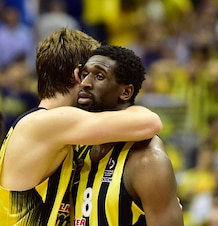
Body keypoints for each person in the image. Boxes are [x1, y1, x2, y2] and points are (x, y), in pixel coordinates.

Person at [0, 28, 162, 225]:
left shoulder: (44, 126)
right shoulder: (49, 123)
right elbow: (150, 122)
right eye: (91, 73)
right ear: (78, 75)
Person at [72, 45, 184, 225]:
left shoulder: (147, 159)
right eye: (84, 74)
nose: (85, 83)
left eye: (99, 76)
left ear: (125, 92)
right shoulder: (76, 146)